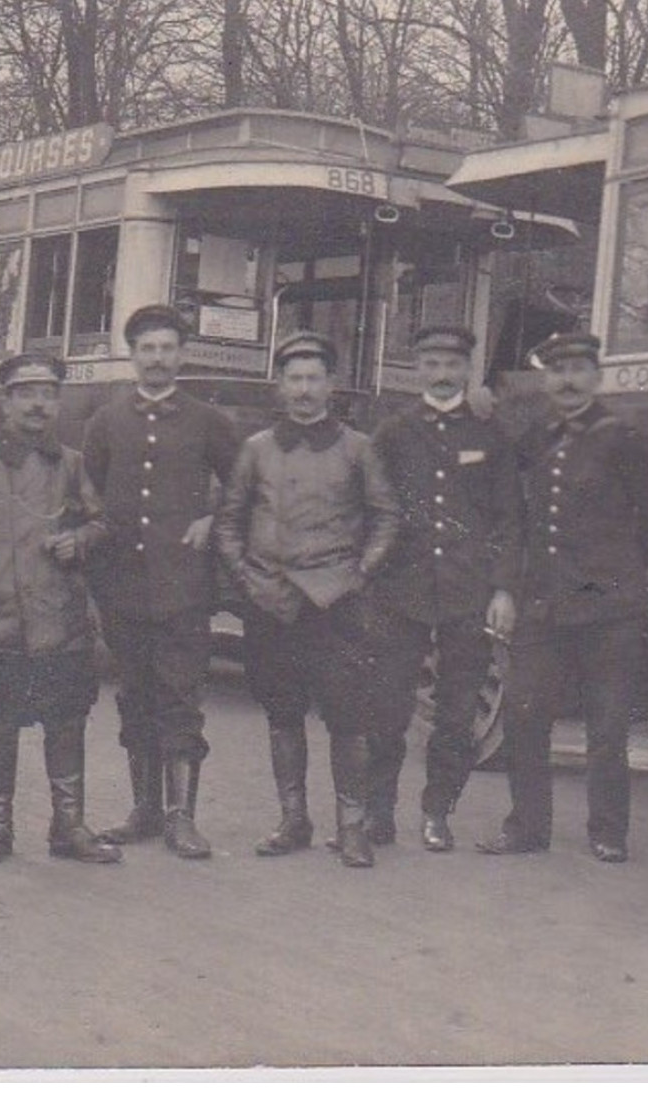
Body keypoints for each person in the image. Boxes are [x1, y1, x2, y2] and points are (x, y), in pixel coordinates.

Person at [476, 333, 648, 862]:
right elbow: (515, 517)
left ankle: (608, 832)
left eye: (579, 368)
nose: (567, 379)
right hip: (543, 605)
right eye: (557, 369)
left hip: (609, 610)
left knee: (607, 727)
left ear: (597, 376)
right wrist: (509, 586)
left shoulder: (623, 439)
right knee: (523, 713)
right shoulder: (534, 439)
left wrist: (620, 570)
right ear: (546, 380)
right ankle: (527, 827)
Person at [218, 331, 398, 866]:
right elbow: (229, 522)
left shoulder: (357, 449)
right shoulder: (255, 450)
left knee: (348, 717)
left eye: (313, 378)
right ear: (279, 385)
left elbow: (387, 517)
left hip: (334, 603)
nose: (303, 390)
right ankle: (293, 820)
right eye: (293, 378)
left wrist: (361, 571)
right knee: (281, 713)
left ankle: (352, 827)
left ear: (331, 385)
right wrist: (248, 580)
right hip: (271, 603)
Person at [0, 352, 120, 867]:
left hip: (62, 620)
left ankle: (69, 825)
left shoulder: (73, 463)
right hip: (1, 620)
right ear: (6, 401)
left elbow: (102, 523)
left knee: (67, 720)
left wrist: (79, 540)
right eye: (26, 393)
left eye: (48, 394)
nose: (39, 404)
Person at [83, 305, 240, 859]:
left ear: (183, 354)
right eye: (147, 348)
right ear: (132, 354)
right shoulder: (107, 421)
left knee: (179, 695)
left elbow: (242, 487)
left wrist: (212, 520)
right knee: (135, 695)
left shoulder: (207, 420)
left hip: (183, 586)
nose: (157, 359)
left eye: (167, 348)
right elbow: (93, 493)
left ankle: (182, 817)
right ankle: (145, 809)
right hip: (125, 584)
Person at [363, 324, 522, 852]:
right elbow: (372, 508)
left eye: (453, 364)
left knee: (456, 715)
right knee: (386, 708)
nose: (443, 374)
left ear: (467, 370)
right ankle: (378, 813)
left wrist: (502, 590)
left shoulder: (490, 434)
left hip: (465, 591)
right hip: (401, 589)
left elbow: (507, 519)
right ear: (416, 368)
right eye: (432, 363)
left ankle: (437, 811)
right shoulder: (393, 432)